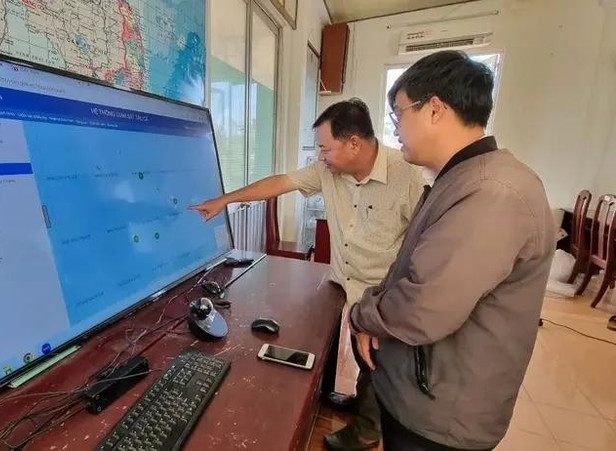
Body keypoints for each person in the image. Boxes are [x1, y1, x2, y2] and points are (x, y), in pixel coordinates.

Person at [348, 50, 555, 450]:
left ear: (435, 109)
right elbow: (412, 268)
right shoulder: (464, 178)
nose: (396, 131)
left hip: (440, 415)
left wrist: (363, 316)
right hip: (422, 391)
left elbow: (425, 303)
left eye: (398, 115)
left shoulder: (491, 192)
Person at [190, 98, 425, 450]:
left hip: (384, 294)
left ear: (354, 144)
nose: (320, 156)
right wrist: (225, 199)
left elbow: (422, 244)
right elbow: (280, 183)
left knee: (380, 363)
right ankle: (348, 400)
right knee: (353, 350)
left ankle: (366, 430)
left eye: (324, 148)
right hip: (347, 284)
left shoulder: (406, 176)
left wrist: (397, 301)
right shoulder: (329, 171)